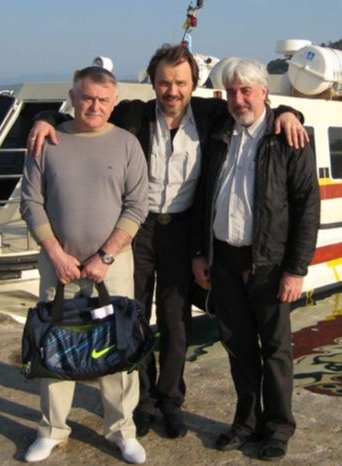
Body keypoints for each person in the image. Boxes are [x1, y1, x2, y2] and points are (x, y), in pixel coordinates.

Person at [27, 45, 308, 440]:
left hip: (183, 229)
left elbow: (257, 108)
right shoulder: (133, 114)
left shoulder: (212, 115)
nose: (172, 90)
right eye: (163, 82)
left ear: (193, 84)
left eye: (180, 82)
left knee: (176, 321)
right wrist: (43, 119)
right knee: (134, 315)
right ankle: (142, 402)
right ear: (153, 83)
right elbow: (87, 110)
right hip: (137, 230)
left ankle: (171, 400)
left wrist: (290, 113)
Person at [190, 59, 320, 461]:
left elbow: (308, 207)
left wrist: (296, 270)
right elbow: (203, 196)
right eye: (232, 92)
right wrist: (201, 252)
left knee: (276, 348)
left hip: (269, 262)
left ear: (264, 92)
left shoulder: (288, 137)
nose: (238, 99)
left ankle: (278, 428)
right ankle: (246, 422)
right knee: (238, 345)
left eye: (246, 91)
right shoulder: (219, 132)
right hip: (224, 258)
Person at [20, 66, 149, 464]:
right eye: (88, 98)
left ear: (114, 103)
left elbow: (137, 206)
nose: (95, 106)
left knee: (118, 347)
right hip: (57, 265)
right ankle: (52, 430)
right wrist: (56, 253)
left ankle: (122, 431)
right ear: (73, 98)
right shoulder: (48, 140)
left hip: (113, 266)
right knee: (54, 346)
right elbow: (31, 202)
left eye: (103, 100)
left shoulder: (127, 144)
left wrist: (105, 255)